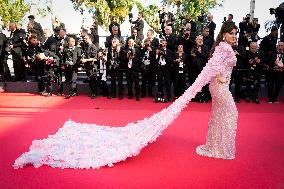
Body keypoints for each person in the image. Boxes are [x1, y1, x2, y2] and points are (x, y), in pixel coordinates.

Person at [13, 21, 239, 169]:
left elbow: (214, 68)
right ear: (224, 34)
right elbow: (212, 69)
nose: (234, 36)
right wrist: (213, 81)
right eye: (232, 33)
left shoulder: (223, 48)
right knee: (230, 114)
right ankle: (219, 149)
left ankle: (217, 147)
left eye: (235, 33)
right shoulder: (225, 48)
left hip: (218, 87)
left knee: (222, 115)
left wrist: (216, 79)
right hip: (220, 88)